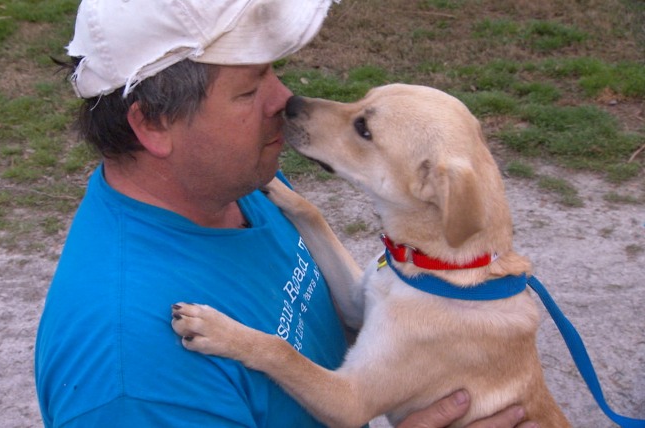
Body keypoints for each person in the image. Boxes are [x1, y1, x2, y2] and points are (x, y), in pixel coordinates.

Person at [34, 0, 538, 427]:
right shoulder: (133, 383)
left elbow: (368, 328)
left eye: (270, 71)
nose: (283, 97)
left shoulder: (248, 187)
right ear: (155, 124)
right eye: (250, 90)